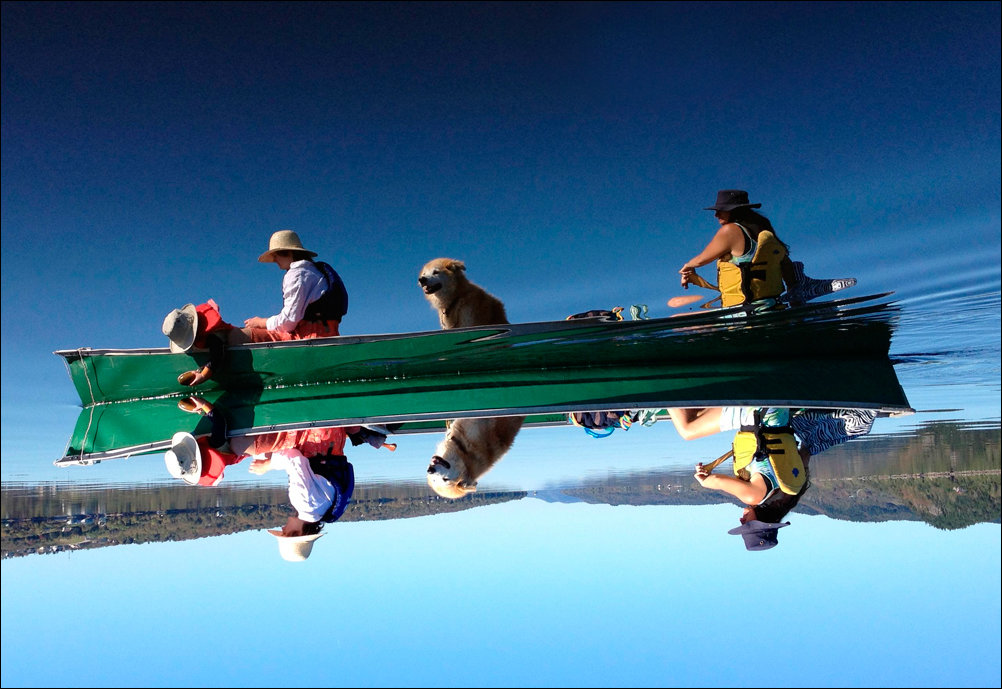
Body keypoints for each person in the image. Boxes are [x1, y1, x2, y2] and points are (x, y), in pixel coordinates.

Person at [164, 396, 375, 561]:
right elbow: (294, 458)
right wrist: (268, 465)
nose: (283, 527)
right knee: (240, 445)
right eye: (285, 531)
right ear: (294, 533)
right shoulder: (304, 503)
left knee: (258, 452)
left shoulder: (322, 510)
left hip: (333, 440)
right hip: (315, 434)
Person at [667, 406, 809, 551]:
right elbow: (717, 481)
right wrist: (705, 481)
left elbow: (804, 452)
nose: (741, 520)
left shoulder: (790, 487)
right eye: (746, 524)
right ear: (761, 521)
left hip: (778, 415)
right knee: (688, 430)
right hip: (755, 413)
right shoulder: (753, 497)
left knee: (696, 415)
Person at [677, 190, 794, 310]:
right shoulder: (765, 233)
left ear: (734, 210)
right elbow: (788, 269)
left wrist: (688, 266)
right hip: (774, 308)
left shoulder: (730, 231)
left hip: (744, 314)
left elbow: (701, 260)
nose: (716, 215)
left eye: (720, 210)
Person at [233, 230, 348, 343]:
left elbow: (289, 321)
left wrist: (260, 322)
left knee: (237, 335)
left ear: (288, 253)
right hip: (327, 334)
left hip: (308, 337)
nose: (274, 260)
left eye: (275, 255)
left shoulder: (296, 274)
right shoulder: (314, 271)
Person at [161, 299, 236, 387]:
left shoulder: (212, 336)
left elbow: (217, 355)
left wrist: (203, 375)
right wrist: (198, 371)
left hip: (234, 338)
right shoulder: (195, 336)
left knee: (233, 338)